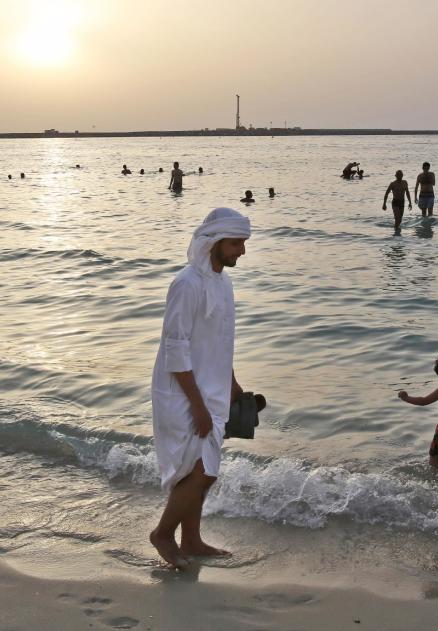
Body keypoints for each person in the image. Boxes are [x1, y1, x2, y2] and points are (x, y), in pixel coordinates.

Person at [150, 207, 253, 569]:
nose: (242, 251)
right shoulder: (186, 284)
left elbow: (220, 339)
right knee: (200, 470)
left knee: (202, 468)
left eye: (243, 243)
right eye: (237, 243)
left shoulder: (224, 283)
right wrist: (197, 405)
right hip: (181, 389)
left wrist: (232, 382)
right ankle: (163, 534)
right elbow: (175, 347)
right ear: (215, 241)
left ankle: (191, 540)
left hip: (212, 387)